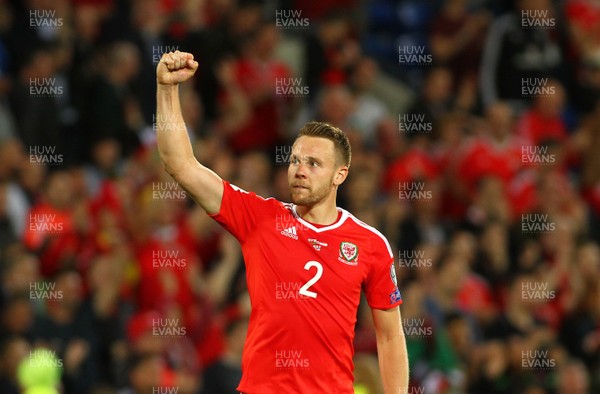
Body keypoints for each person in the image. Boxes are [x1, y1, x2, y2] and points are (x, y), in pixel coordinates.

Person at [155, 50, 408, 393]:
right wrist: (167, 90)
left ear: (340, 175)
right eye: (295, 161)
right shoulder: (261, 218)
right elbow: (181, 165)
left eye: (314, 163)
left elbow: (390, 336)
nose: (300, 170)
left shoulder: (370, 244)